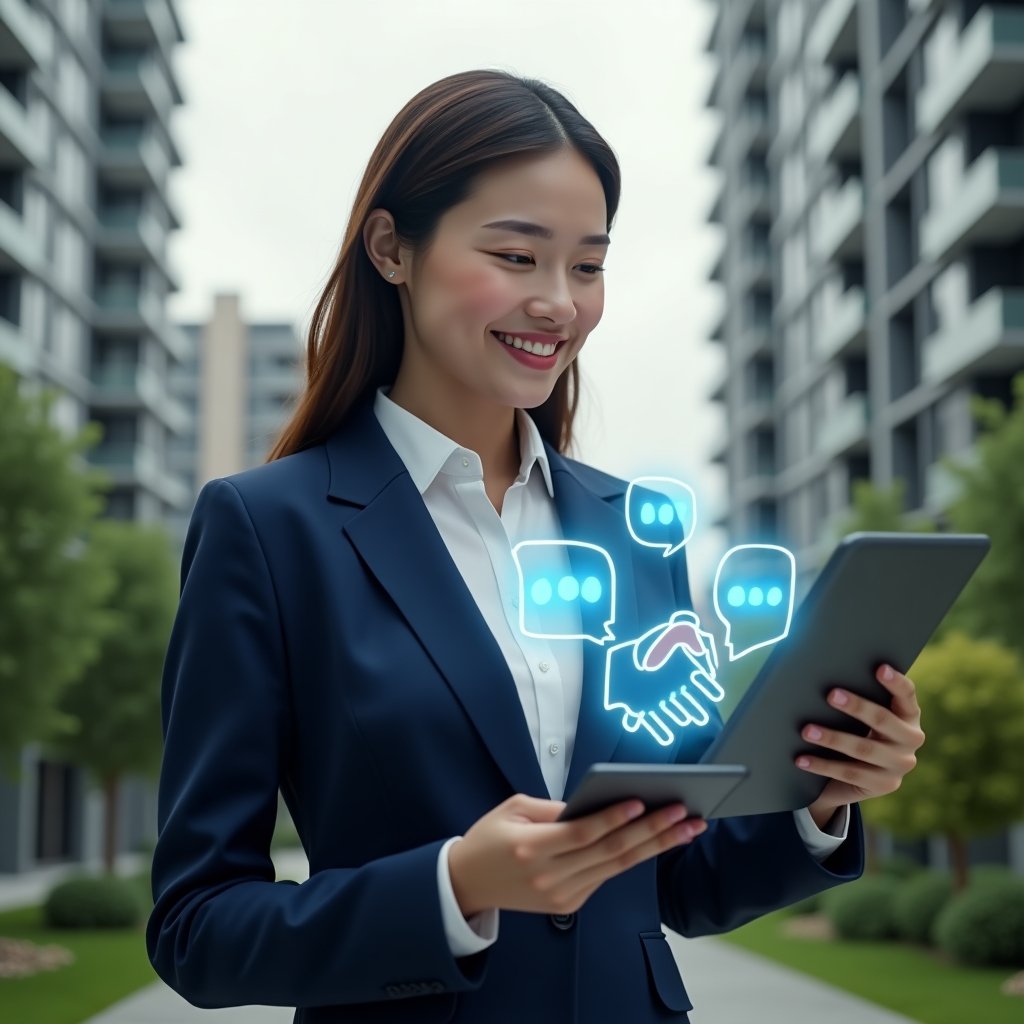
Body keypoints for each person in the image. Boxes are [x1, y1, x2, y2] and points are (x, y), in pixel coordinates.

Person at [146, 69, 925, 1024]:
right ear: (392, 248)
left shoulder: (636, 531)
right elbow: (197, 927)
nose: (560, 303)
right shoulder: (268, 530)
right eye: (518, 256)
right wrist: (453, 888)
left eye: (589, 267)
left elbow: (677, 880)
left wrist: (819, 798)